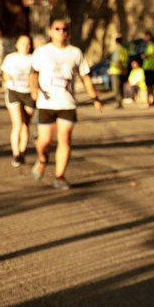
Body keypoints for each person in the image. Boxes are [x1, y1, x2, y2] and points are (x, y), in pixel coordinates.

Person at [29, 19, 102, 189]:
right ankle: (42, 159)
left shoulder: (76, 53)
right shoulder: (42, 52)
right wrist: (33, 89)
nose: (61, 31)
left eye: (65, 29)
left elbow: (85, 77)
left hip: (67, 103)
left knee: (65, 139)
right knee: (45, 141)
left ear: (68, 32)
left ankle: (60, 176)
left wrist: (95, 98)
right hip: (46, 103)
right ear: (50, 31)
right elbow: (33, 74)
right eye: (57, 29)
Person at [0, 33, 35, 166]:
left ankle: (22, 151)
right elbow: (5, 73)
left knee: (25, 125)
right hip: (14, 91)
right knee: (18, 124)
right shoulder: (11, 58)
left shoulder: (34, 59)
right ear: (17, 45)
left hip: (29, 94)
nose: (25, 46)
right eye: (22, 43)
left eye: (28, 44)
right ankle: (16, 154)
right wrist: (7, 79)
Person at [107, 35, 130, 108]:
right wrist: (123, 70)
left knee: (116, 87)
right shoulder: (124, 50)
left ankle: (119, 102)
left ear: (116, 42)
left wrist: (120, 69)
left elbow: (117, 61)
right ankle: (121, 101)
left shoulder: (116, 50)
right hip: (123, 70)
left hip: (116, 71)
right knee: (121, 86)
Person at [140, 30, 154, 106]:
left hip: (149, 67)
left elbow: (147, 55)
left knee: (148, 85)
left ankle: (148, 101)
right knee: (150, 85)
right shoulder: (149, 45)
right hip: (149, 67)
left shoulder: (150, 46)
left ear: (148, 37)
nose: (144, 38)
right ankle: (153, 100)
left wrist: (143, 56)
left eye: (145, 36)